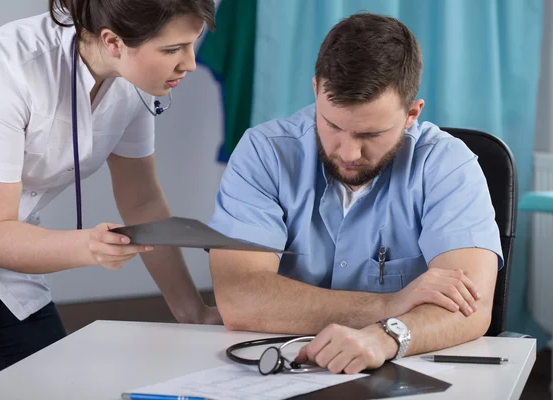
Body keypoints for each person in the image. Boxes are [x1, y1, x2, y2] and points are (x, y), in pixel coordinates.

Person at [208, 13, 502, 374]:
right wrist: (391, 307)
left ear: (412, 113)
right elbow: (240, 300)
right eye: (332, 125)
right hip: (280, 368)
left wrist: (388, 337)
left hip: (407, 371)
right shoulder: (263, 152)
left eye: (371, 134)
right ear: (316, 90)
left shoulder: (448, 165)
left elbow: (470, 310)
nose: (348, 153)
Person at [0, 0, 220, 378]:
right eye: (172, 49)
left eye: (191, 44)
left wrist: (193, 313)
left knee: (62, 387)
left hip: (2, 263)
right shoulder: (7, 69)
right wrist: (90, 247)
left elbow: (142, 201)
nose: (189, 63)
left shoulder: (132, 84)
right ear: (113, 42)